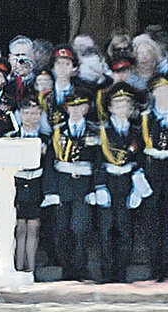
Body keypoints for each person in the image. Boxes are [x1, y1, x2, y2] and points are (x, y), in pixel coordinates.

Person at [95, 82, 146, 283]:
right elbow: (98, 161)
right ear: (110, 108)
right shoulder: (102, 131)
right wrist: (99, 186)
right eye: (118, 104)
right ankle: (107, 275)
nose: (122, 108)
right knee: (106, 230)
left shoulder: (136, 131)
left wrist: (138, 187)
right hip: (108, 182)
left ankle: (121, 273)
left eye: (126, 104)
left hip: (127, 183)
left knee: (125, 231)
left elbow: (140, 158)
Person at [47, 89, 99, 281]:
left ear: (86, 108)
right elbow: (50, 162)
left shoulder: (93, 131)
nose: (76, 110)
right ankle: (66, 268)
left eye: (80, 106)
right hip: (63, 183)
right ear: (66, 109)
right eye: (72, 107)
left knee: (80, 228)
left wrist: (96, 187)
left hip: (83, 184)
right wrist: (50, 190)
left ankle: (79, 268)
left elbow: (98, 161)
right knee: (61, 229)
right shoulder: (58, 131)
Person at [141, 75, 168, 281]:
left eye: (167, 91)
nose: (163, 95)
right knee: (152, 222)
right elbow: (139, 148)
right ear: (153, 94)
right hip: (151, 172)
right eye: (159, 91)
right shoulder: (145, 117)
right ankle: (154, 267)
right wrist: (138, 175)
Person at [9, 95, 51, 274]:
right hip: (16, 186)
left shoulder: (46, 139)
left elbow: (48, 167)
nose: (30, 117)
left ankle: (31, 269)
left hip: (36, 185)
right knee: (19, 227)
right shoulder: (11, 137)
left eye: (35, 113)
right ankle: (17, 267)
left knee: (33, 227)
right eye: (26, 113)